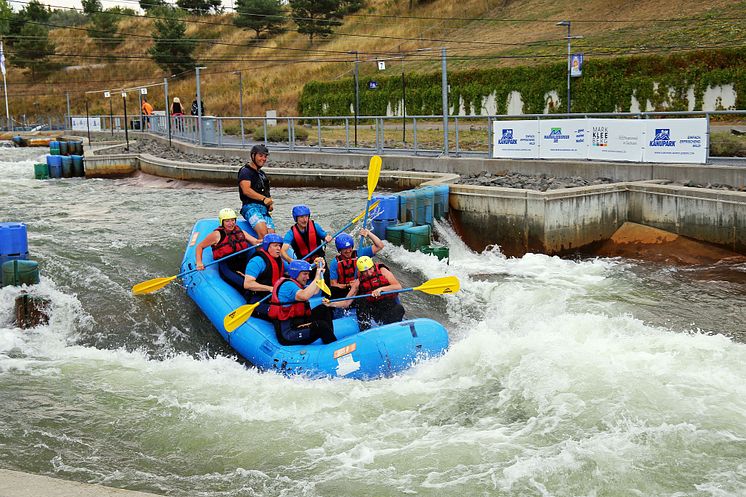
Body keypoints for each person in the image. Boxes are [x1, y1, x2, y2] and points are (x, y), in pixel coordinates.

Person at [269, 259, 337, 345]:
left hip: (299, 321)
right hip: (289, 332)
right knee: (321, 326)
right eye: (305, 274)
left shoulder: (295, 283)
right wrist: (317, 276)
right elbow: (305, 295)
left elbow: (315, 291)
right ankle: (333, 347)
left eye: (308, 274)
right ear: (295, 273)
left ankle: (329, 338)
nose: (308, 277)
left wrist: (319, 272)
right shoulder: (288, 286)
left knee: (323, 309)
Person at [195, 208, 259, 293]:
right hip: (228, 266)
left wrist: (268, 241)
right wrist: (199, 262)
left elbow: (255, 242)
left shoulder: (239, 231)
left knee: (260, 278)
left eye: (233, 220)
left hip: (243, 263)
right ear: (222, 222)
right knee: (246, 285)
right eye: (227, 221)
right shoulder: (216, 235)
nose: (231, 223)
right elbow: (199, 246)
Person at [351, 256, 405, 330]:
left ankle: (392, 329)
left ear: (373, 266)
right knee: (360, 300)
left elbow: (398, 287)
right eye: (365, 271)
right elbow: (346, 302)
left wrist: (381, 289)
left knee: (399, 308)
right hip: (374, 308)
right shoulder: (358, 281)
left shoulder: (383, 271)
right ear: (361, 272)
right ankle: (365, 328)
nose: (369, 273)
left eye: (370, 269)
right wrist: (330, 303)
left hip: (388, 304)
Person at [241, 233, 287, 320]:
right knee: (279, 314)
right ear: (267, 246)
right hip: (258, 298)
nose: (279, 248)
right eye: (275, 245)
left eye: (280, 246)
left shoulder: (278, 259)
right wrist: (270, 288)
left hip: (273, 296)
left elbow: (292, 271)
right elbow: (247, 284)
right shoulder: (257, 261)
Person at [329, 229, 384, 299]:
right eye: (345, 249)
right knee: (334, 291)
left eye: (349, 247)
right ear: (339, 250)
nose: (348, 251)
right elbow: (334, 284)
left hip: (361, 287)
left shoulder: (360, 253)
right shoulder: (335, 263)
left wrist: (369, 234)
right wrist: (348, 285)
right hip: (345, 289)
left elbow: (380, 246)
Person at [238, 144, 274, 238]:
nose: (263, 158)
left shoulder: (262, 174)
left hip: (263, 209)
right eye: (260, 156)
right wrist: (263, 199)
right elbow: (246, 190)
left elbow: (267, 192)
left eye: (265, 156)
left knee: (271, 236)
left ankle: (267, 252)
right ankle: (260, 252)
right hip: (250, 207)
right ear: (253, 156)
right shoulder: (245, 171)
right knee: (263, 233)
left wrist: (269, 203)